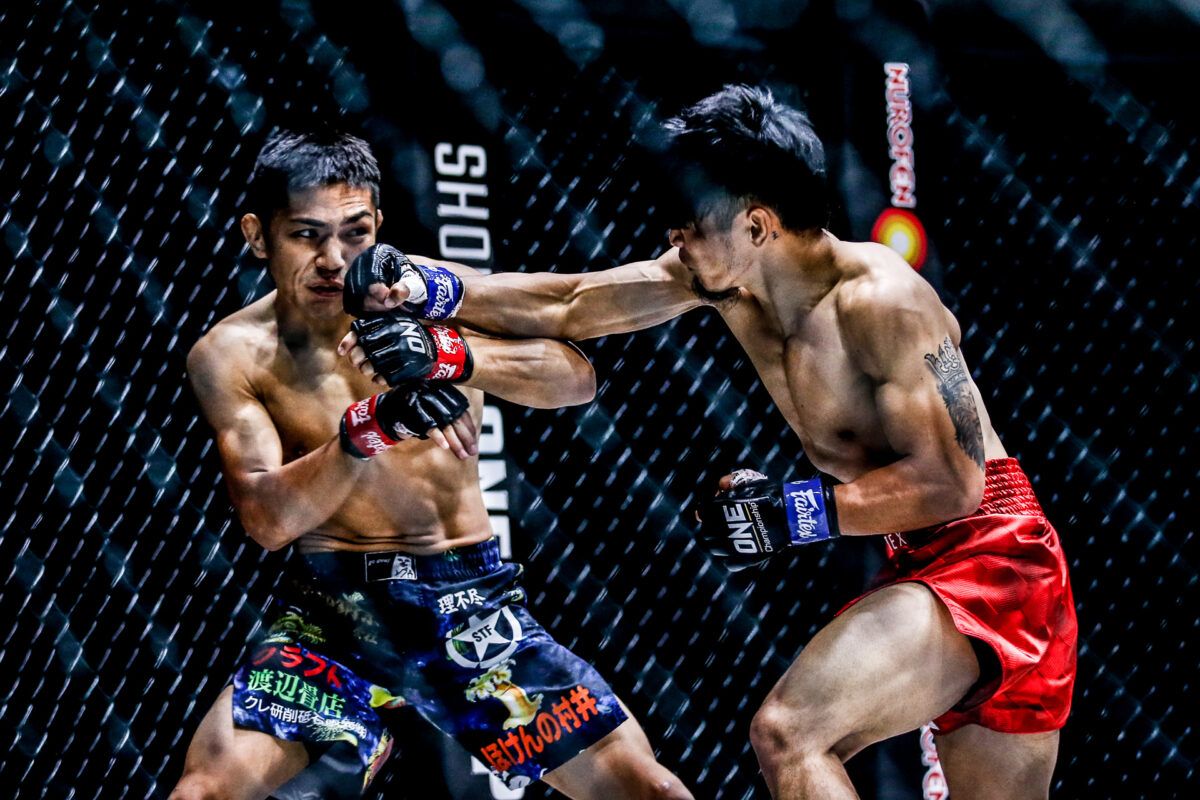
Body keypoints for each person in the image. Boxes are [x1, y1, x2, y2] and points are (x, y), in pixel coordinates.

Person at [342, 85, 1078, 799]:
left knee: (791, 733)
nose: (675, 237)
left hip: (996, 555)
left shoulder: (881, 301)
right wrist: (425, 286)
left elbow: (954, 484)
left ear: (757, 226)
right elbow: (572, 302)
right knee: (800, 737)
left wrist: (788, 514)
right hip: (928, 555)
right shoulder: (724, 279)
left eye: (691, 224)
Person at [171, 130, 692, 800]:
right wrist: (369, 429)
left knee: (649, 792)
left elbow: (575, 378)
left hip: (467, 604)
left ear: (378, 224)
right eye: (306, 235)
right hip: (334, 615)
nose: (334, 260)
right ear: (257, 235)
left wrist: (450, 355)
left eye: (355, 233)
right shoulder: (232, 353)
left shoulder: (426, 289)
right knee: (204, 792)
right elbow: (268, 521)